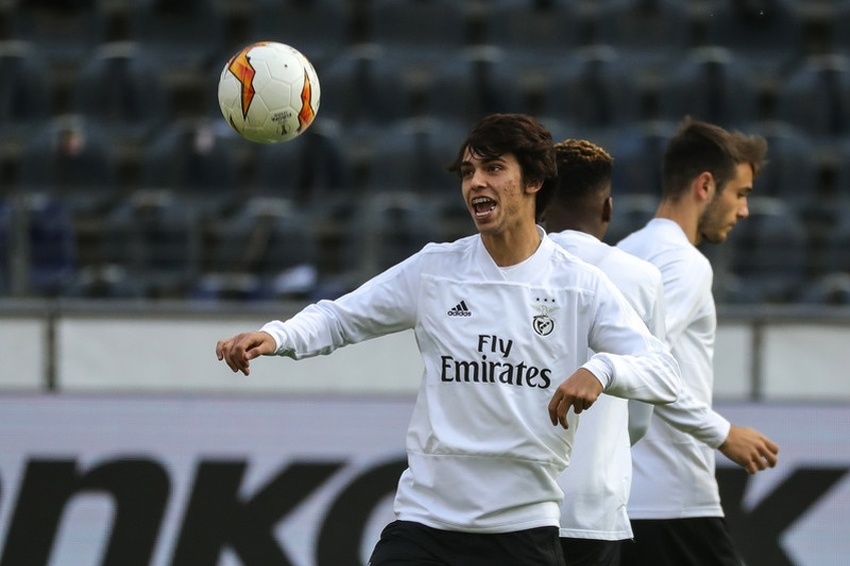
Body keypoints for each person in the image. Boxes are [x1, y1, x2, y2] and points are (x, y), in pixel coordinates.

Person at [216, 113, 682, 566]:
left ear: (534, 181)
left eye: (494, 168)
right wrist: (277, 335)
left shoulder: (579, 285)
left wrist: (602, 368)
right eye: (468, 171)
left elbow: (664, 372)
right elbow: (340, 318)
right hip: (425, 526)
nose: (475, 182)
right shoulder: (435, 270)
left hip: (523, 531)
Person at [617, 117, 780, 566]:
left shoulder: (624, 254)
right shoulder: (687, 264)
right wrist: (723, 433)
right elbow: (643, 365)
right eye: (741, 193)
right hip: (674, 500)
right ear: (705, 186)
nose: (744, 210)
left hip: (621, 500)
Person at [544, 138, 667, 566]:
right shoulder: (641, 277)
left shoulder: (509, 268)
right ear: (608, 208)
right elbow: (641, 415)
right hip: (595, 504)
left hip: (513, 506)